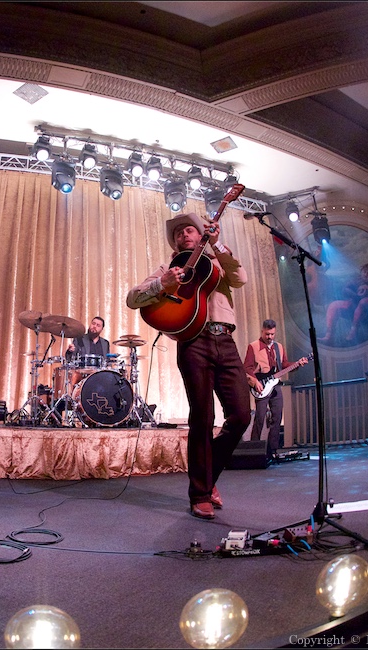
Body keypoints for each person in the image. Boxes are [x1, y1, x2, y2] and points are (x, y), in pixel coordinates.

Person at [126, 212, 251, 520]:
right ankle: (200, 494)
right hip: (193, 342)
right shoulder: (169, 268)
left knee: (241, 415)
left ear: (202, 235)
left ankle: (208, 479)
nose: (183, 234)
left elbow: (241, 278)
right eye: (178, 232)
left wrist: (219, 245)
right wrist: (161, 283)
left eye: (189, 230)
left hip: (226, 340)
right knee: (203, 417)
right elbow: (133, 299)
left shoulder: (217, 262)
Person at [243, 319, 308, 462]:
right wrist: (254, 382)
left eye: (272, 334)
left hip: (276, 385)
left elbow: (283, 365)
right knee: (260, 417)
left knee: (277, 417)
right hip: (261, 385)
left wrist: (297, 364)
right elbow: (247, 367)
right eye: (267, 334)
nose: (270, 337)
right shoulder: (253, 346)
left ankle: (272, 451)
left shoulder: (279, 347)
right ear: (262, 331)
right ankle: (253, 449)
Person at [320, 262, 368, 344]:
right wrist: (355, 295)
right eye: (364, 272)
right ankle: (329, 335)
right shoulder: (357, 280)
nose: (366, 275)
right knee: (334, 305)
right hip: (354, 307)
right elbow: (345, 289)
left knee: (364, 301)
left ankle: (353, 332)